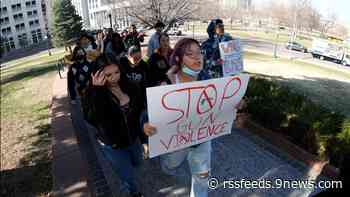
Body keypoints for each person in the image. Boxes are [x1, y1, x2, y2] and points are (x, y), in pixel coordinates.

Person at [142, 38, 213, 197]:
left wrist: (234, 107)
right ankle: (165, 162)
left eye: (199, 52)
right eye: (190, 54)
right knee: (170, 165)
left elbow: (219, 109)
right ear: (179, 59)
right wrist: (145, 125)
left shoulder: (208, 80)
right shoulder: (167, 84)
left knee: (202, 179)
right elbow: (148, 115)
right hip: (177, 142)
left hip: (202, 140)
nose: (197, 57)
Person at [86, 55, 146, 197]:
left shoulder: (130, 86)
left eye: (117, 72)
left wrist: (143, 135)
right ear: (97, 75)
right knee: (127, 175)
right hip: (112, 144)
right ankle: (133, 192)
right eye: (108, 75)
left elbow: (140, 111)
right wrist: (98, 91)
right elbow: (93, 119)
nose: (114, 78)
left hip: (133, 138)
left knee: (138, 162)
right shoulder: (92, 93)